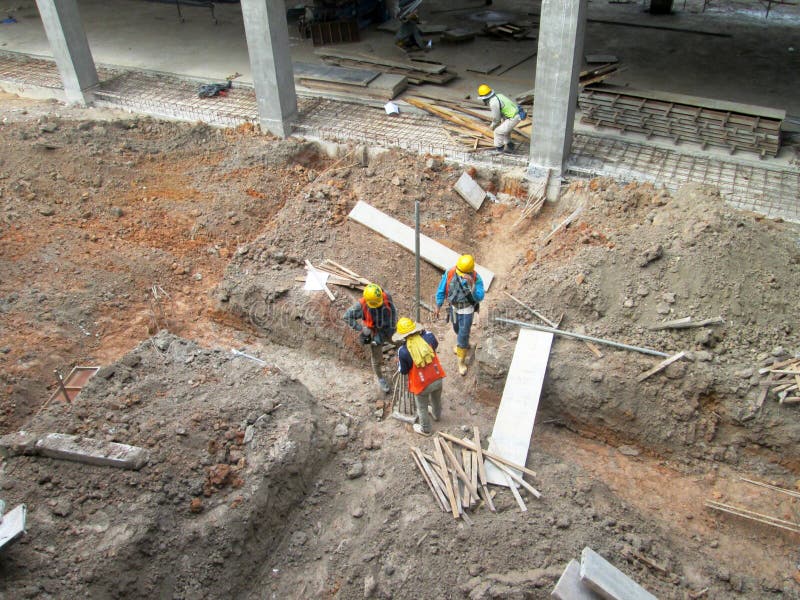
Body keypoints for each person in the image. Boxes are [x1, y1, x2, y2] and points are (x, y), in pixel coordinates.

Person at [393, 317, 446, 436]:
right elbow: (435, 345)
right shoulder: (429, 336)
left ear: (402, 335)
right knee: (436, 399)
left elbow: (403, 371)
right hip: (437, 377)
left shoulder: (403, 351)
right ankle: (437, 415)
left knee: (422, 407)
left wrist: (399, 363)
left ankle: (426, 429)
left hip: (421, 385)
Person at [434, 254, 485, 376]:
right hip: (454, 308)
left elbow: (480, 296)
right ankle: (462, 344)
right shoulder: (451, 273)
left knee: (462, 335)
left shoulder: (476, 278)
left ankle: (461, 361)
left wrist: (472, 286)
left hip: (467, 310)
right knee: (456, 328)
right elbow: (441, 290)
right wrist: (438, 306)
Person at [343, 283, 397, 394]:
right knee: (376, 359)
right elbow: (346, 317)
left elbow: (393, 310)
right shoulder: (361, 306)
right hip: (375, 332)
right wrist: (361, 328)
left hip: (389, 329)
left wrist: (394, 323)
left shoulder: (386, 295)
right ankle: (380, 379)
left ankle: (407, 363)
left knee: (402, 342)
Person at [477, 84, 526, 154]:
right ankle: (510, 145)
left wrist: (492, 127)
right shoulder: (499, 95)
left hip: (514, 117)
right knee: (505, 131)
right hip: (516, 113)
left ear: (484, 98)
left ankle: (499, 149)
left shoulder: (493, 103)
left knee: (497, 132)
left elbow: (496, 119)